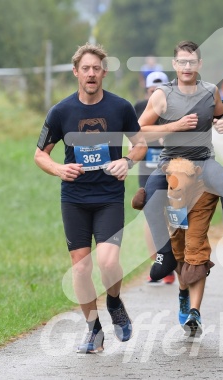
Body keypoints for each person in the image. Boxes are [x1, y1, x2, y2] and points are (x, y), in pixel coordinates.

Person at [34, 43, 147, 354]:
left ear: (104, 72)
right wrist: (59, 168)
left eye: (97, 68)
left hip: (109, 195)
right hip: (75, 198)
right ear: (76, 72)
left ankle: (114, 302)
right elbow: (39, 155)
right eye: (86, 68)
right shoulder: (61, 112)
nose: (91, 73)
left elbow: (140, 145)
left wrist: (127, 161)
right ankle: (93, 329)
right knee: (81, 269)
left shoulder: (120, 108)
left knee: (108, 261)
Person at [138, 40, 223, 332]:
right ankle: (164, 253)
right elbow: (140, 129)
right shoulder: (162, 95)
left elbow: (221, 113)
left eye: (192, 62)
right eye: (182, 62)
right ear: (175, 64)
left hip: (204, 162)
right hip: (170, 163)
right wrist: (173, 127)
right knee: (150, 198)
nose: (187, 67)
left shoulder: (210, 91)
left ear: (199, 65)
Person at [133, 70, 176, 286]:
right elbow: (131, 136)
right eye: (151, 90)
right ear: (146, 89)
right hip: (148, 169)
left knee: (174, 215)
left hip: (173, 169)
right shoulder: (139, 107)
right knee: (150, 217)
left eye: (159, 90)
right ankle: (158, 263)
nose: (154, 94)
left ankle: (178, 260)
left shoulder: (174, 107)